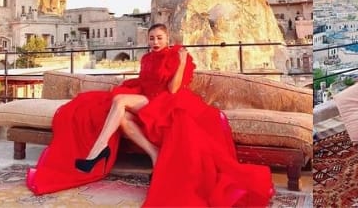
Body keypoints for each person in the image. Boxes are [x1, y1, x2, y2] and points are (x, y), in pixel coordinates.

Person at [26, 23, 275, 206]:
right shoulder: (147, 58)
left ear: (168, 38)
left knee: (120, 100)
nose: (155, 42)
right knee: (120, 114)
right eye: (152, 38)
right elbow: (144, 84)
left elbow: (174, 89)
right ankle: (154, 155)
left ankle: (97, 149)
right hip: (146, 99)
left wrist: (180, 61)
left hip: (165, 101)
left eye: (159, 38)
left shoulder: (176, 55)